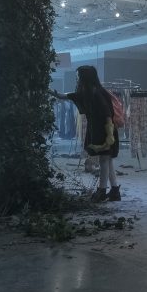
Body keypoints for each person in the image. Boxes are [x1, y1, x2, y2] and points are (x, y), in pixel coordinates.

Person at [51, 65, 120, 203]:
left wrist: (109, 135)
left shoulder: (96, 93)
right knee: (108, 160)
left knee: (104, 160)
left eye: (79, 76)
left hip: (104, 129)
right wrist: (53, 93)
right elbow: (67, 95)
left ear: (85, 77)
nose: (77, 79)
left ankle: (101, 191)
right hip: (98, 129)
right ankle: (114, 191)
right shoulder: (87, 93)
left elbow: (107, 114)